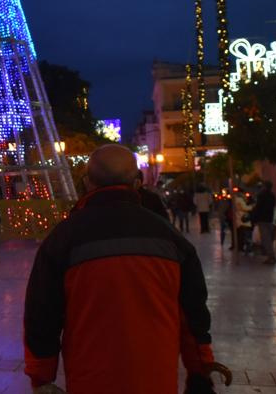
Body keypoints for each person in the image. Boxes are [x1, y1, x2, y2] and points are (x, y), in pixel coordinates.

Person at [23, 144, 229, 394]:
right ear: (137, 182)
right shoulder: (169, 237)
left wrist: (41, 378)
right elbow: (192, 311)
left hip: (91, 380)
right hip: (156, 380)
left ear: (87, 182)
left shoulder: (63, 238)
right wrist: (200, 369)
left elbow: (41, 314)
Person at [250, 181, 276, 264]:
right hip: (269, 219)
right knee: (269, 238)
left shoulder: (261, 195)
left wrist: (254, 217)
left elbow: (258, 207)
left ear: (264, 186)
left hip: (262, 219)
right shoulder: (272, 195)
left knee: (266, 239)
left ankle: (271, 257)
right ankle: (269, 254)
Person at [234, 190, 254, 254]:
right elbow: (244, 207)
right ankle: (246, 248)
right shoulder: (240, 199)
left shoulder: (235, 199)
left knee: (241, 234)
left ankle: (241, 247)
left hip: (239, 218)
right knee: (245, 235)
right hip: (243, 219)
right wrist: (252, 207)